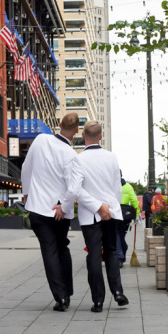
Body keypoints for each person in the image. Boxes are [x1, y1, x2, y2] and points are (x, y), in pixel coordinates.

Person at [21, 113, 107, 313]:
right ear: (77, 131)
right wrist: (65, 207)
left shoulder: (40, 140)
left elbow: (26, 167)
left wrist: (26, 193)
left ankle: (61, 297)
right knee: (62, 248)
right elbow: (75, 186)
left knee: (49, 250)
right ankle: (66, 292)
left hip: (37, 208)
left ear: (59, 125)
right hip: (58, 211)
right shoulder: (71, 156)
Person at [76, 121, 128, 312]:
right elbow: (116, 188)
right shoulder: (111, 157)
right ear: (101, 136)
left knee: (94, 254)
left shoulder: (79, 159)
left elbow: (76, 190)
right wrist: (110, 207)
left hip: (91, 214)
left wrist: (97, 207)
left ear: (83, 135)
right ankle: (118, 293)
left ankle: (98, 300)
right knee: (112, 251)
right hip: (111, 211)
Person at [117, 176, 139, 263]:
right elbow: (134, 201)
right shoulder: (128, 186)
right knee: (121, 235)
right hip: (125, 215)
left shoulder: (111, 185)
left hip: (114, 213)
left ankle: (119, 256)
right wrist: (136, 215)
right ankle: (123, 249)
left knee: (115, 234)